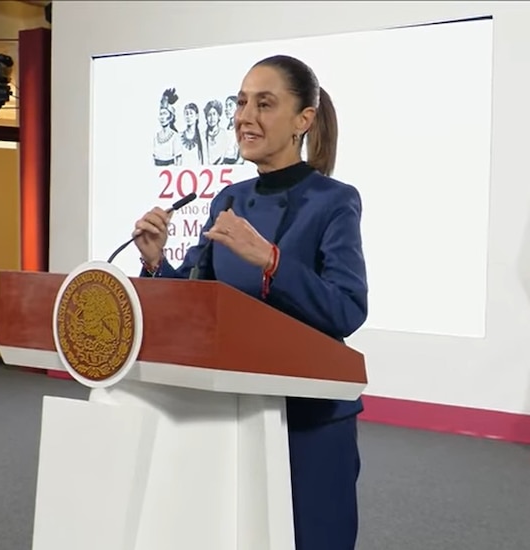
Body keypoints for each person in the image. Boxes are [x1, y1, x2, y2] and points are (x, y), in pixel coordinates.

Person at [131, 54, 367, 550]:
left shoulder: (335, 200)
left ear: (304, 120)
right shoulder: (228, 200)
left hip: (309, 416)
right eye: (240, 103)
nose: (244, 116)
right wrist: (155, 265)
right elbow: (199, 298)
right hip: (234, 411)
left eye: (264, 103)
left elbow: (347, 308)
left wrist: (271, 260)